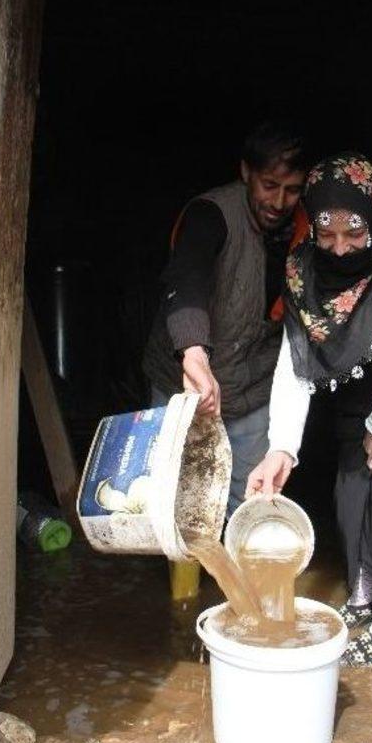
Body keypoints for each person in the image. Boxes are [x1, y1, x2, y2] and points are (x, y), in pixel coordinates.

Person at [246, 153, 372, 666]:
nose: (341, 248)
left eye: (354, 234)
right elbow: (295, 362)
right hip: (348, 380)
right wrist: (281, 447)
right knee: (351, 494)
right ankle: (362, 599)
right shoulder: (304, 267)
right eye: (327, 235)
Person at [143, 121, 308, 516]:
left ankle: (235, 580)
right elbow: (187, 280)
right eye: (269, 185)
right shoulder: (211, 215)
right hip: (185, 390)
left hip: (252, 394)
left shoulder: (308, 229)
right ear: (246, 172)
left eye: (292, 190)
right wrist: (193, 352)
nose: (280, 201)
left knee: (249, 505)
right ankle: (183, 581)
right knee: (180, 507)